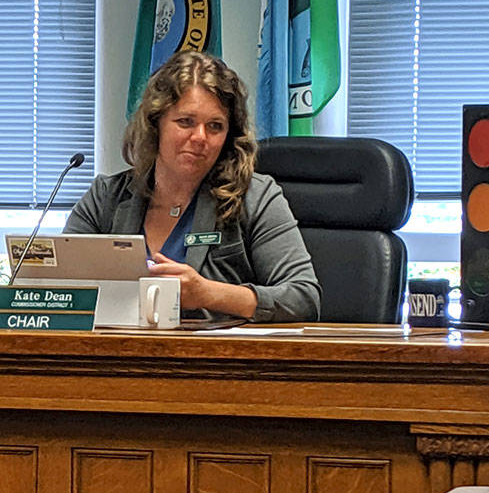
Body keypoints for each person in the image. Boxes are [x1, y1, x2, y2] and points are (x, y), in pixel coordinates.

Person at [64, 51, 319, 322]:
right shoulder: (106, 198)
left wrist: (207, 294)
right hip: (117, 357)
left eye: (215, 126)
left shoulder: (254, 197)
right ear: (155, 124)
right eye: (185, 122)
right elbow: (52, 284)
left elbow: (303, 298)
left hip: (216, 360)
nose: (200, 137)